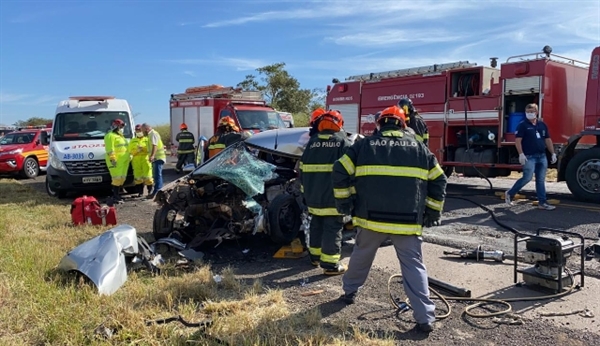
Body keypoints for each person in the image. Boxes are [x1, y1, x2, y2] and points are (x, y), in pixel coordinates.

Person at [332, 105, 447, 333]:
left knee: (361, 256)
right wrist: (432, 212)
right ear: (403, 124)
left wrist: (346, 203)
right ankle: (425, 318)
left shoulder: (363, 145)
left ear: (380, 123)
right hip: (407, 222)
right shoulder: (419, 148)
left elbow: (340, 170)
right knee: (414, 267)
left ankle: (349, 292)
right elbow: (440, 180)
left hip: (370, 220)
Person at [299, 109, 352, 275]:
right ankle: (330, 265)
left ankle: (314, 257)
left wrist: (305, 194)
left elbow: (301, 171)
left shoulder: (312, 143)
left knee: (316, 225)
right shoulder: (342, 142)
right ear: (339, 124)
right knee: (333, 228)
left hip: (313, 196)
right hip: (334, 197)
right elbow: (351, 170)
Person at [505, 103, 557, 210]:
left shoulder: (542, 125)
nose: (530, 114)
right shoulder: (522, 125)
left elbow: (548, 140)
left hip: (542, 156)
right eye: (528, 112)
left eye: (532, 111)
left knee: (540, 180)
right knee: (527, 178)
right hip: (529, 157)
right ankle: (510, 193)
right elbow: (518, 141)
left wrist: (553, 153)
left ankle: (542, 203)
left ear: (536, 112)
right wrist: (521, 154)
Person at [104, 119, 131, 202]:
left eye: (122, 126)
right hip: (116, 161)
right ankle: (115, 195)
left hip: (124, 161)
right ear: (116, 126)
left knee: (122, 178)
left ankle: (118, 194)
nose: (122, 128)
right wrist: (112, 158)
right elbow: (110, 149)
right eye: (120, 126)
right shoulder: (110, 136)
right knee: (116, 178)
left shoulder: (121, 136)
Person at [141, 123, 166, 198]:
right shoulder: (150, 135)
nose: (142, 132)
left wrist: (152, 156)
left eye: (143, 130)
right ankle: (158, 192)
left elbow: (154, 146)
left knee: (157, 176)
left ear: (146, 129)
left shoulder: (153, 134)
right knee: (157, 176)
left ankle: (156, 192)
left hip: (158, 158)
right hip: (156, 158)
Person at [129, 124, 153, 197]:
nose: (138, 131)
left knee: (148, 177)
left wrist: (143, 148)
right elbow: (130, 151)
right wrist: (137, 150)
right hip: (136, 160)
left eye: (139, 130)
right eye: (137, 130)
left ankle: (150, 192)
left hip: (145, 159)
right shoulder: (132, 141)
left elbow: (151, 149)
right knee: (138, 177)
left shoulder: (147, 139)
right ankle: (140, 192)